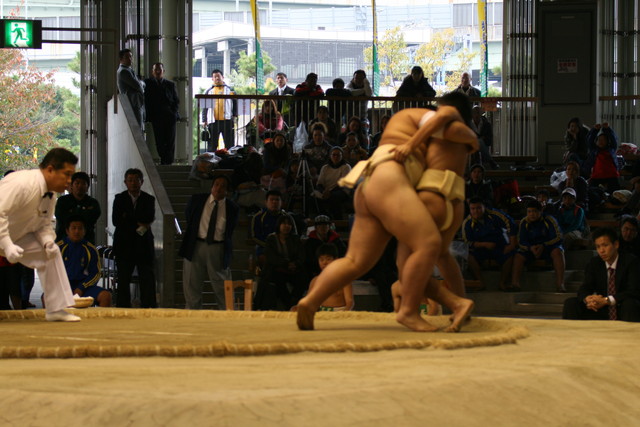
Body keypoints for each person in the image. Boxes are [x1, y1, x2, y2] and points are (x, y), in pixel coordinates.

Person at [297, 92, 477, 332]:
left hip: (370, 184)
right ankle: (409, 311)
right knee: (429, 244)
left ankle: (310, 301)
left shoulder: (403, 120)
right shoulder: (431, 116)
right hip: (391, 178)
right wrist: (464, 137)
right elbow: (445, 118)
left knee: (355, 261)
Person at [0, 148, 81, 321]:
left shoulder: (50, 195)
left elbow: (43, 224)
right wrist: (6, 244)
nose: (69, 181)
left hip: (17, 236)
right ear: (50, 169)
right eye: (67, 174)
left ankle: (56, 309)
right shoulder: (21, 183)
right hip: (5, 237)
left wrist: (47, 242)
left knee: (51, 253)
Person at [179, 175, 239, 310]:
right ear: (212, 187)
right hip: (196, 245)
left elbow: (230, 229)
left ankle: (227, 314)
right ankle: (192, 314)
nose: (219, 188)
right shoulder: (197, 200)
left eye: (223, 186)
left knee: (222, 285)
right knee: (192, 284)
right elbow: (189, 216)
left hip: (217, 247)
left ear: (227, 191)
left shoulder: (232, 208)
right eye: (216, 184)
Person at [562, 227, 640, 322]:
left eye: (605, 245)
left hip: (621, 306)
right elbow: (585, 287)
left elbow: (633, 291)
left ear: (616, 244)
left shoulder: (631, 262)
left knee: (630, 304)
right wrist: (588, 299)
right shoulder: (594, 263)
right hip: (601, 308)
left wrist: (607, 300)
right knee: (571, 303)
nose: (601, 250)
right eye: (598, 247)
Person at [112, 168, 157, 308]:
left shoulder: (149, 199)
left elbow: (148, 218)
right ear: (125, 182)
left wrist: (128, 218)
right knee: (123, 279)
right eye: (130, 180)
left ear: (141, 182)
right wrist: (138, 222)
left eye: (136, 180)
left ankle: (148, 307)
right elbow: (116, 221)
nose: (133, 183)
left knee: (147, 278)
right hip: (124, 245)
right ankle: (123, 308)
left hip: (144, 245)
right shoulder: (119, 199)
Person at [461, 197, 517, 291]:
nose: (476, 211)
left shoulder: (495, 214)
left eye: (478, 208)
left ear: (484, 207)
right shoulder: (467, 222)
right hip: (480, 249)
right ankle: (480, 282)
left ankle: (502, 283)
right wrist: (483, 244)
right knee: (468, 256)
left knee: (511, 254)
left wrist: (511, 244)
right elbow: (467, 242)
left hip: (499, 246)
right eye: (473, 209)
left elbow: (511, 225)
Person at [511, 200, 566, 293]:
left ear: (541, 211)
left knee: (558, 251)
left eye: (535, 211)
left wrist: (544, 245)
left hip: (547, 248)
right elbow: (521, 241)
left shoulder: (549, 220)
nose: (532, 214)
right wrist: (530, 248)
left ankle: (560, 284)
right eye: (529, 212)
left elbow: (558, 237)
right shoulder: (524, 222)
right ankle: (515, 284)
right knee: (518, 256)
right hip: (531, 249)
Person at [57, 217, 111, 307]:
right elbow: (51, 273)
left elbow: (96, 274)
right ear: (67, 231)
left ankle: (100, 317)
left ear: (84, 231)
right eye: (74, 228)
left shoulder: (91, 249)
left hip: (84, 287)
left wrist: (81, 288)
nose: (77, 231)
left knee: (106, 296)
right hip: (63, 287)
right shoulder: (57, 248)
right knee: (45, 297)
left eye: (80, 228)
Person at [254, 214, 305, 310]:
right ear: (279, 225)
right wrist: (286, 264)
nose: (286, 226)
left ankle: (295, 302)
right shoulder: (271, 238)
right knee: (278, 281)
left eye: (289, 224)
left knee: (303, 279)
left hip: (293, 268)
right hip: (276, 269)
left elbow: (301, 255)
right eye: (284, 223)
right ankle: (289, 304)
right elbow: (271, 257)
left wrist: (295, 264)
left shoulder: (295, 238)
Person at [144, 62, 180, 165]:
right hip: (156, 116)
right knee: (159, 140)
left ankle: (168, 162)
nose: (158, 71)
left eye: (159, 69)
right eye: (156, 70)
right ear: (152, 72)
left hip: (169, 115)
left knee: (170, 140)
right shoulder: (148, 84)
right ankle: (164, 160)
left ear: (163, 71)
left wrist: (174, 112)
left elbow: (176, 100)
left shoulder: (170, 84)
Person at [250, 190, 297, 269]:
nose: (274, 202)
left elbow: (294, 234)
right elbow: (255, 236)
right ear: (266, 202)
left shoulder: (288, 217)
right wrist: (271, 246)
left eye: (277, 200)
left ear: (281, 202)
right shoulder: (258, 217)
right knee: (264, 258)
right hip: (264, 247)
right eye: (271, 200)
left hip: (285, 247)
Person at [55, 171, 101, 244]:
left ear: (87, 187)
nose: (80, 186)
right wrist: (83, 213)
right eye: (77, 183)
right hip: (63, 241)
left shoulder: (93, 203)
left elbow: (91, 220)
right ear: (71, 186)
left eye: (83, 183)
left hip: (86, 242)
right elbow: (61, 217)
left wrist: (73, 213)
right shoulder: (62, 201)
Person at [309, 243, 353, 311]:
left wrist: (344, 315)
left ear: (336, 260)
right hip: (321, 313)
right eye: (321, 260)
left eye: (328, 259)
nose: (324, 262)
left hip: (341, 312)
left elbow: (350, 302)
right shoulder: (315, 281)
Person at [303, 215, 347, 283]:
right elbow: (309, 258)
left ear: (329, 226)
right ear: (316, 227)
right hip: (316, 270)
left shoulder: (336, 240)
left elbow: (343, 254)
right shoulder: (311, 241)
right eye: (320, 225)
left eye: (325, 225)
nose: (322, 227)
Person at [202, 69, 237, 150]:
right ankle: (212, 158)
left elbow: (235, 103)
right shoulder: (209, 91)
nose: (217, 78)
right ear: (212, 79)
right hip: (213, 121)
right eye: (215, 77)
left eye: (218, 76)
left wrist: (235, 115)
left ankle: (229, 157)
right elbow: (205, 107)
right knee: (212, 145)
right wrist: (204, 120)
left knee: (229, 144)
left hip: (227, 120)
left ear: (222, 77)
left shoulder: (230, 90)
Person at [313, 147, 352, 220]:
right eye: (334, 155)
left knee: (334, 198)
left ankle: (338, 221)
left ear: (342, 156)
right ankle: (322, 219)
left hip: (342, 190)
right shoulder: (325, 168)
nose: (336, 157)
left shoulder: (346, 167)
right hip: (326, 191)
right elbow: (320, 183)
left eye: (338, 155)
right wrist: (323, 191)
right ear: (330, 156)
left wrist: (329, 192)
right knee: (313, 198)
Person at [582, 122, 620, 192]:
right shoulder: (594, 150)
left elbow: (613, 139)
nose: (601, 141)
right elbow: (589, 140)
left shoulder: (611, 149)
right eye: (599, 140)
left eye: (603, 140)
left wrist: (607, 129)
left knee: (614, 192)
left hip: (611, 176)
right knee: (592, 191)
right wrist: (595, 130)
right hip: (597, 176)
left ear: (607, 141)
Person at [116, 48, 145, 129]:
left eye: (131, 56)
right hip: (132, 103)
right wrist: (141, 84)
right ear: (121, 59)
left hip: (135, 102)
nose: (130, 59)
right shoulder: (123, 71)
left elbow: (139, 84)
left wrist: (141, 84)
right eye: (127, 57)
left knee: (139, 126)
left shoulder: (128, 70)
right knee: (137, 128)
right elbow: (138, 85)